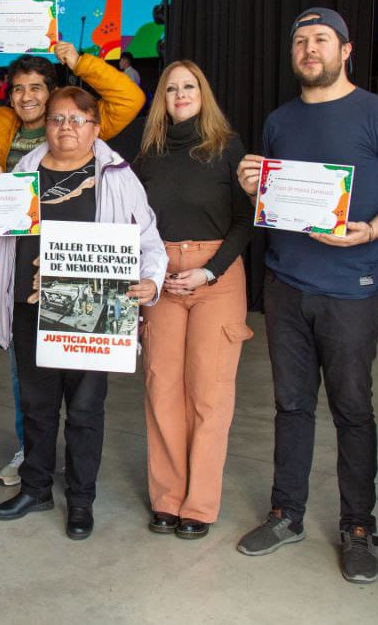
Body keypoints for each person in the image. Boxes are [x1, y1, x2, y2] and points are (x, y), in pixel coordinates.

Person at [234, 7, 378, 583]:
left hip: (350, 288)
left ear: (346, 51)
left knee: (352, 410)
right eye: (300, 40)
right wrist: (253, 188)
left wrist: (370, 230)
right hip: (286, 287)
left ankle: (358, 526)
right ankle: (286, 513)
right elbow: (274, 206)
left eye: (321, 39)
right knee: (291, 406)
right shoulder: (278, 121)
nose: (309, 48)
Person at [0, 37, 146, 485]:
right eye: (19, 88)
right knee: (31, 387)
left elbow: (129, 98)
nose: (28, 97)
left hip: (84, 277)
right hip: (25, 271)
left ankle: (79, 488)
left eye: (38, 89)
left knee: (82, 398)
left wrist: (78, 61)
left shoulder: (84, 131)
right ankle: (33, 460)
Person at [0, 86, 167, 540]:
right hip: (30, 308)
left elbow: (147, 237)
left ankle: (82, 500)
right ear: (44, 125)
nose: (65, 128)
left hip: (95, 311)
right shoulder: (23, 172)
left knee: (86, 409)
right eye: (56, 119)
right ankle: (35, 488)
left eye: (77, 120)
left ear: (96, 127)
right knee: (36, 405)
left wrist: (151, 280)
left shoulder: (116, 175)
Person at [132, 61, 253, 540]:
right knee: (162, 389)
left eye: (190, 87)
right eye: (171, 88)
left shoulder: (227, 148)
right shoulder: (148, 154)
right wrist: (155, 271)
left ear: (204, 95)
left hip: (215, 277)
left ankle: (198, 505)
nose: (180, 94)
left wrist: (208, 270)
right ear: (162, 99)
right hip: (161, 276)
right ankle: (167, 499)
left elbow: (246, 222)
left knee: (209, 393)